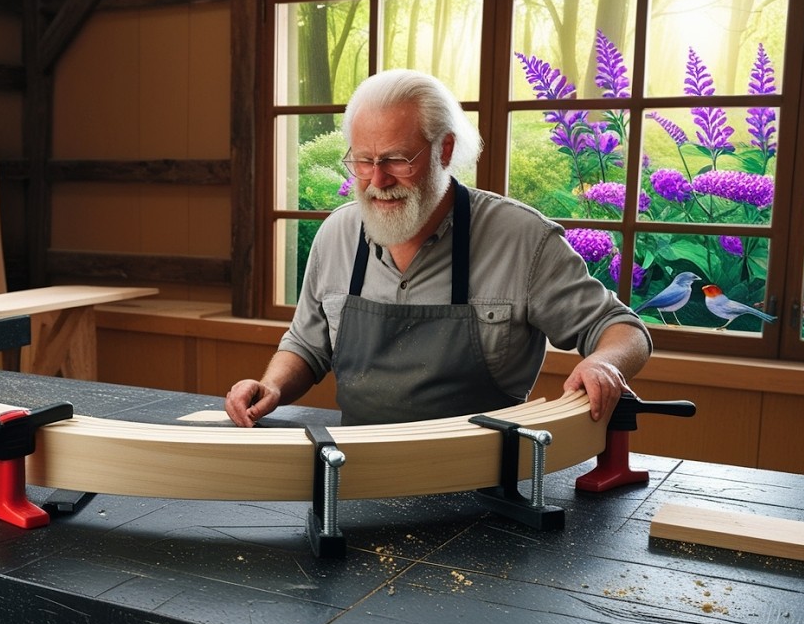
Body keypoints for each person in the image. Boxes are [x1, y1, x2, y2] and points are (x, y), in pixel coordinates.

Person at [225, 69, 651, 428]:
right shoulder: (336, 234)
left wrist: (605, 363)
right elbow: (307, 344)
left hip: (483, 481)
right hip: (355, 473)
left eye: (396, 159)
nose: (377, 180)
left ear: (443, 150)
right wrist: (274, 386)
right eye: (362, 161)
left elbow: (623, 329)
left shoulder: (521, 238)